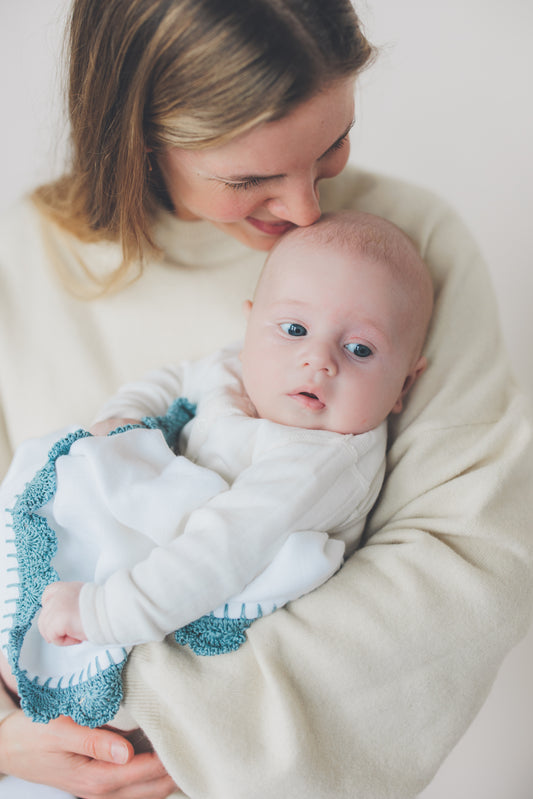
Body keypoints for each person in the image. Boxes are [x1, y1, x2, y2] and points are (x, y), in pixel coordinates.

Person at [0, 0, 531, 797]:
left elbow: (464, 566)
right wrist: (9, 732)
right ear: (137, 136)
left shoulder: (408, 251)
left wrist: (161, 726)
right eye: (249, 178)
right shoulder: (24, 260)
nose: (309, 212)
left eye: (331, 146)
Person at [0, 210, 432, 732]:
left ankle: (71, 681)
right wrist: (125, 415)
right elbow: (178, 378)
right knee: (64, 462)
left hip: (210, 582)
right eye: (294, 328)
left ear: (404, 385)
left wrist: (102, 615)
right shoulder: (248, 365)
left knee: (98, 657)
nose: (318, 360)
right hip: (170, 535)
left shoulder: (322, 461)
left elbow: (221, 549)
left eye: (360, 348)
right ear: (251, 325)